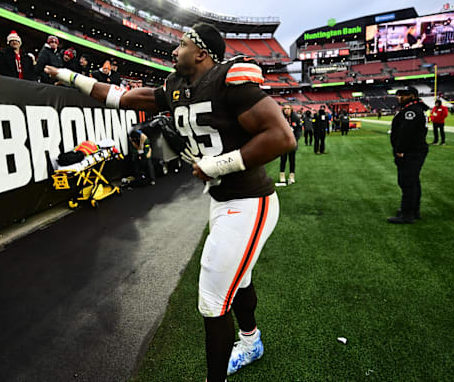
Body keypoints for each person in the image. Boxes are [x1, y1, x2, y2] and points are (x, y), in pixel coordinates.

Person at [45, 22, 295, 381]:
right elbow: (121, 97)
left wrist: (218, 164)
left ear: (201, 53)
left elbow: (282, 137)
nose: (173, 51)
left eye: (180, 44)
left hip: (250, 200)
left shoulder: (229, 81)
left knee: (212, 300)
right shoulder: (177, 87)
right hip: (224, 200)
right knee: (237, 281)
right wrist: (71, 77)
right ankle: (251, 340)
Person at [387, 86, 428, 224]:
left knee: (407, 182)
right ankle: (413, 210)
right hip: (415, 150)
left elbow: (406, 133)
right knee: (413, 182)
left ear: (412, 96)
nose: (399, 97)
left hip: (410, 152)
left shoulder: (411, 111)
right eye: (398, 95)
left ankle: (407, 214)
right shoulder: (415, 109)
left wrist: (400, 150)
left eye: (403, 95)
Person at [278, 105, 300, 184]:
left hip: (292, 142)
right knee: (283, 160)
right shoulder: (280, 118)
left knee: (292, 160)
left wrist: (296, 139)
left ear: (291, 109)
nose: (286, 110)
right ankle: (282, 175)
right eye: (285, 109)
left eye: (288, 108)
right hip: (283, 142)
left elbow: (299, 129)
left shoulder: (296, 118)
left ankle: (291, 176)